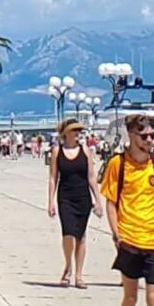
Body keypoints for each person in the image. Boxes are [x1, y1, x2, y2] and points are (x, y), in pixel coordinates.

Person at [101, 117, 154, 306]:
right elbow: (111, 203)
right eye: (144, 136)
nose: (149, 140)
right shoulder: (118, 164)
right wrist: (117, 235)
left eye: (152, 136)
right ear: (131, 135)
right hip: (130, 239)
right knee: (130, 296)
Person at [44, 117, 99, 288]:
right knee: (68, 233)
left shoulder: (86, 150)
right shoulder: (56, 151)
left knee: (81, 236)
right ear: (66, 133)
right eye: (74, 130)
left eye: (79, 131)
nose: (77, 134)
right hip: (65, 197)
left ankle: (79, 275)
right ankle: (68, 266)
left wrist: (98, 200)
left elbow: (91, 176)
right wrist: (50, 201)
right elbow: (53, 177)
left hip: (83, 197)